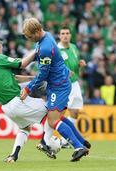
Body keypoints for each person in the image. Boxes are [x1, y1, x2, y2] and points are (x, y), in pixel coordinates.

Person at [21, 18, 91, 162]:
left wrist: (28, 89)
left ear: (37, 31)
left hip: (58, 86)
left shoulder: (46, 47)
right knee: (58, 117)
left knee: (53, 121)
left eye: (31, 36)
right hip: (59, 83)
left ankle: (78, 147)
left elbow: (42, 75)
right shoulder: (45, 36)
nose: (30, 40)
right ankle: (82, 141)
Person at [0, 37, 56, 163]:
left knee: (25, 128)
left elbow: (15, 78)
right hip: (16, 101)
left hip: (6, 108)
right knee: (53, 109)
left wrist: (34, 78)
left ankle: (13, 155)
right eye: (1, 48)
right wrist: (36, 50)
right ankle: (49, 142)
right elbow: (22, 63)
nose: (2, 50)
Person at [57, 25, 87, 148]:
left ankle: (65, 142)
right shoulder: (57, 50)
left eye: (67, 33)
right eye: (63, 33)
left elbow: (74, 63)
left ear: (70, 35)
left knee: (75, 112)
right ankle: (47, 139)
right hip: (65, 85)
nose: (65, 35)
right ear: (59, 36)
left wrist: (80, 64)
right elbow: (56, 68)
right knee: (60, 113)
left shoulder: (74, 47)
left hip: (75, 83)